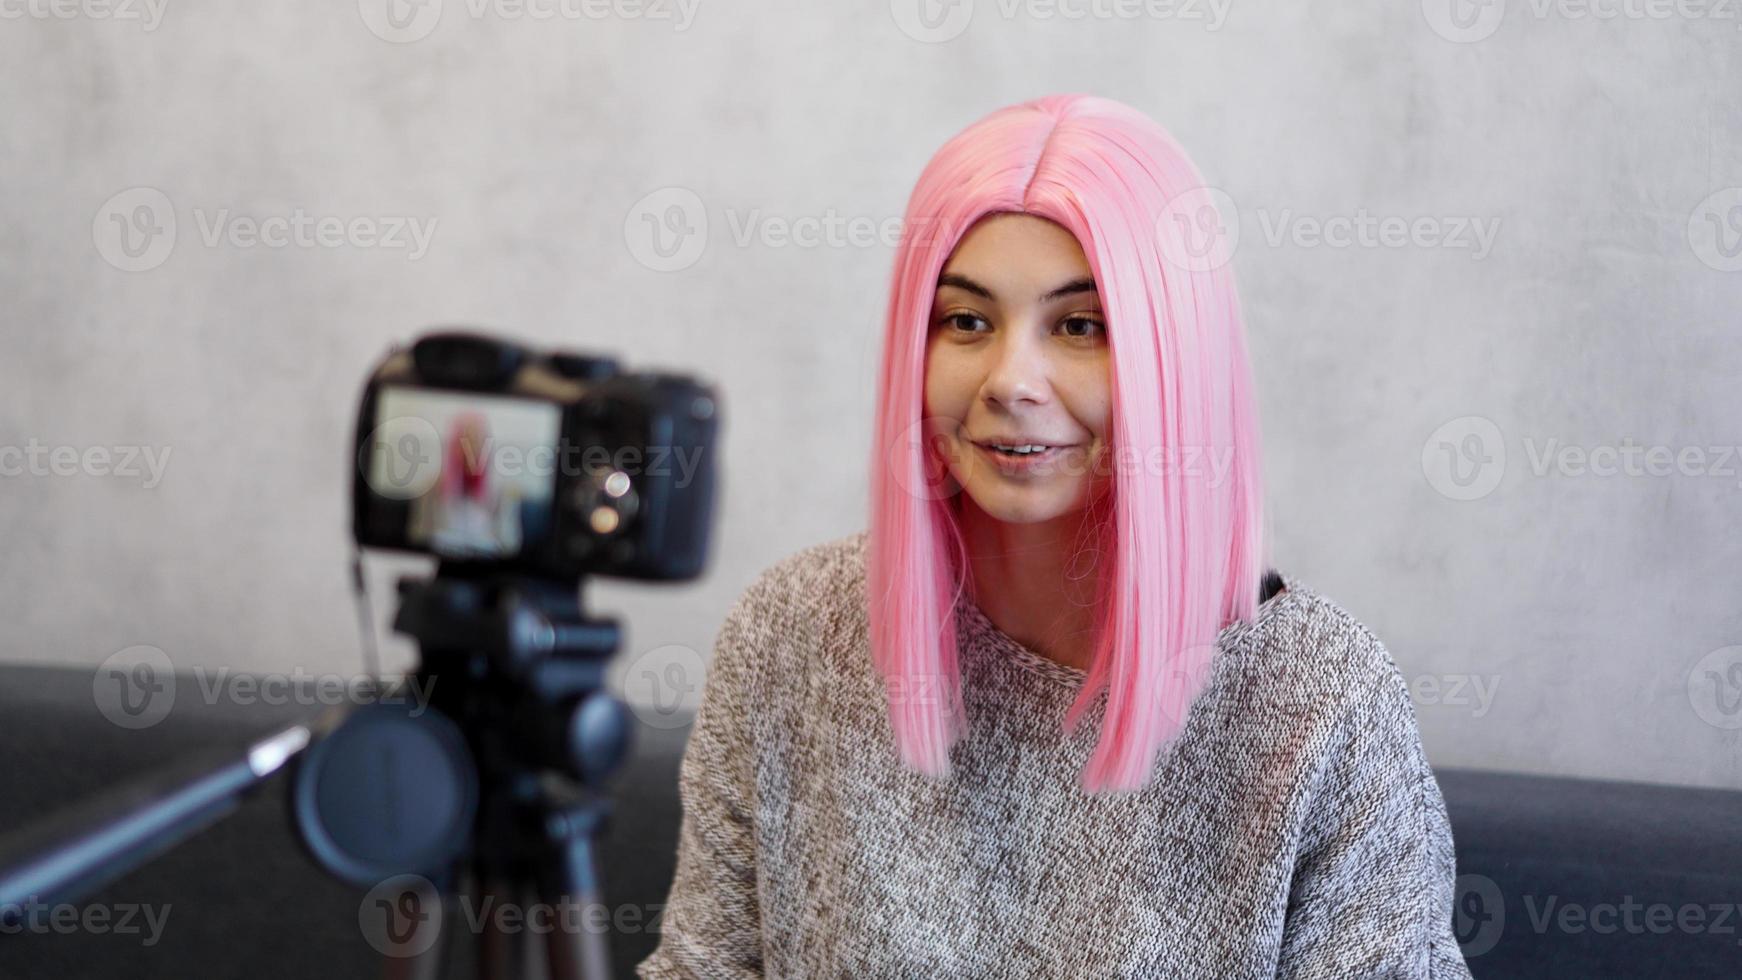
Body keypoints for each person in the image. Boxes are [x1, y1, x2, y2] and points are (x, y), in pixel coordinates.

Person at [637, 94, 1473, 978]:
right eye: (966, 321)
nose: (1011, 381)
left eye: (1080, 327)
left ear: (1173, 356)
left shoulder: (1323, 700)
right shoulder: (791, 635)